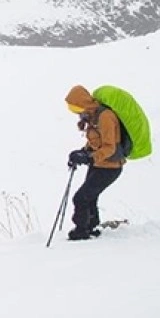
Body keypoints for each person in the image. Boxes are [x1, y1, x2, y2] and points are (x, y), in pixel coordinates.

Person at [64, 85, 127, 240]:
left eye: (76, 108)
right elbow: (94, 143)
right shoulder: (92, 117)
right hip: (99, 164)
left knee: (81, 198)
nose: (77, 113)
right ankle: (91, 227)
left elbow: (109, 147)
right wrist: (82, 153)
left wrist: (89, 158)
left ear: (83, 103)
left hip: (110, 167)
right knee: (90, 197)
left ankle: (81, 231)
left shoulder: (105, 117)